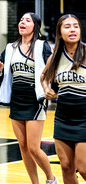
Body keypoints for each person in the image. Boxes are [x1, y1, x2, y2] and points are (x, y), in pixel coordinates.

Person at [0, 12, 58, 184]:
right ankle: (35, 183)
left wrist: (50, 88)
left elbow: (52, 71)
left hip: (35, 100)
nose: (22, 22)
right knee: (23, 146)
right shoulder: (10, 48)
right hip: (16, 100)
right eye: (21, 20)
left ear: (35, 26)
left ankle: (51, 179)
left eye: (27, 20)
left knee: (34, 148)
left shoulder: (42, 46)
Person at [41, 14, 86, 184]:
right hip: (63, 118)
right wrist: (46, 89)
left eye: (76, 26)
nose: (72, 29)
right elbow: (44, 76)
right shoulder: (55, 57)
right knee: (66, 166)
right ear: (60, 32)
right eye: (67, 26)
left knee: (83, 168)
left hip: (84, 117)